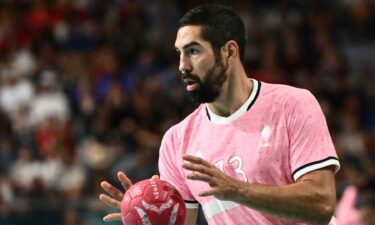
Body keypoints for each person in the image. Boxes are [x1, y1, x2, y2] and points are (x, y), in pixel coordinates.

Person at [99, 4, 340, 225]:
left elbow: (321, 204)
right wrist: (149, 215)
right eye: (179, 53)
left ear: (229, 51)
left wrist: (238, 190)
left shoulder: (292, 104)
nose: (182, 65)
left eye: (193, 51)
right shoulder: (177, 141)